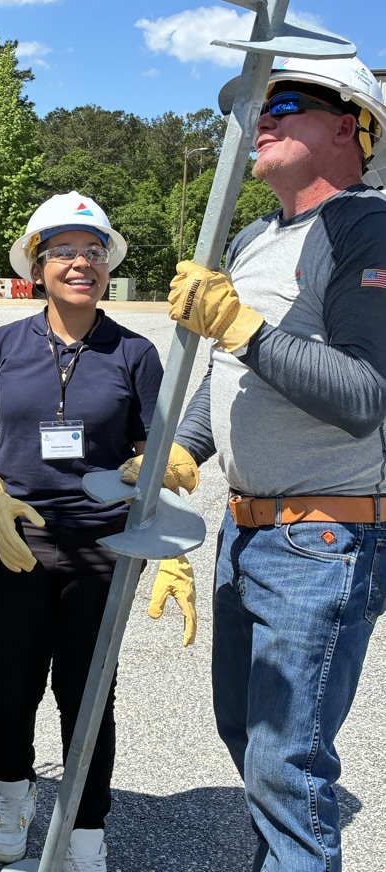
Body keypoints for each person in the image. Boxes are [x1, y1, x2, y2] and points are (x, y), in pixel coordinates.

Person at [164, 55, 386, 871]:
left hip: (322, 540)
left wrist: (243, 328)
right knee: (251, 744)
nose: (261, 117)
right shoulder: (259, 236)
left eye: (283, 102)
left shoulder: (367, 226)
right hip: (247, 531)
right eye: (258, 105)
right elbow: (229, 374)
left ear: (348, 127)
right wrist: (184, 452)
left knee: (285, 766)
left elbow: (365, 394)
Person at [0, 191, 196, 871]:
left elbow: (158, 452)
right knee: (9, 684)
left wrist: (163, 511)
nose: (81, 262)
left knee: (89, 691)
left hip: (105, 548)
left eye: (93, 251)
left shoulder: (135, 353)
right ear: (38, 265)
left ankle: (86, 824)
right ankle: (12, 793)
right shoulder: (1, 346)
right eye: (64, 250)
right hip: (14, 539)